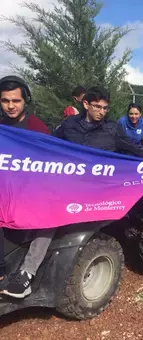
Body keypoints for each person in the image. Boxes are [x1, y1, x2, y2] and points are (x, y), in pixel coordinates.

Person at [0, 75, 51, 298]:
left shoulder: (37, 129)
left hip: (29, 193)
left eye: (16, 101)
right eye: (5, 101)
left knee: (52, 215)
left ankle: (27, 273)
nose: (10, 106)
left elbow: (49, 169)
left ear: (25, 101)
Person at [55, 86, 143, 158]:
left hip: (102, 182)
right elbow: (50, 145)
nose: (102, 112)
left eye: (105, 108)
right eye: (98, 107)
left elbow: (131, 147)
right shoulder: (69, 124)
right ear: (86, 104)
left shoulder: (112, 128)